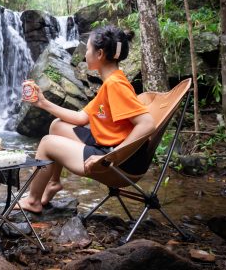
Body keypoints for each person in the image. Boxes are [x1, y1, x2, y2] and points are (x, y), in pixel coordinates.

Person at [16, 25, 155, 214]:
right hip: (111, 149)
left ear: (99, 54)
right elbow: (81, 118)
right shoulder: (112, 82)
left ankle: (33, 201)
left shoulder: (116, 85)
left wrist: (110, 156)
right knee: (57, 126)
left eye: (88, 49)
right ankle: (53, 183)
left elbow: (147, 124)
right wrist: (43, 103)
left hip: (118, 161)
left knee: (47, 144)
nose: (84, 54)